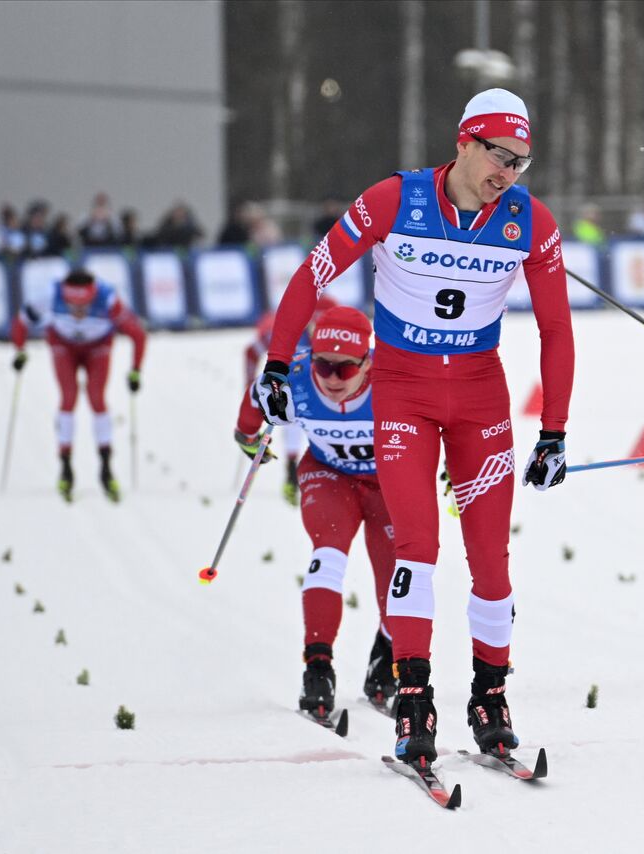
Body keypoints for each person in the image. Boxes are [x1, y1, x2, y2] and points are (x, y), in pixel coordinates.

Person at [249, 88, 574, 769]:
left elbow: (556, 330)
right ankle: (415, 697)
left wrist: (554, 430)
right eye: (499, 156)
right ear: (464, 142)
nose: (509, 173)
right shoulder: (395, 200)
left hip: (481, 399)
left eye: (522, 161)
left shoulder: (528, 220)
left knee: (491, 559)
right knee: (416, 546)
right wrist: (279, 365)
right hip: (403, 395)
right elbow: (313, 275)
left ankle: (491, 695)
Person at [234, 306, 399, 720]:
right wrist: (249, 440)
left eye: (345, 370)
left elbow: (447, 419)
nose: (331, 379)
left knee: (399, 578)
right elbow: (250, 412)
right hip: (329, 475)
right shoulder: (293, 377)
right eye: (324, 365)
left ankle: (387, 655)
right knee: (328, 554)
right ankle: (318, 669)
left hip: (390, 485)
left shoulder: (395, 378)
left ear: (367, 360)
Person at [11, 269, 147, 501]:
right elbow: (21, 322)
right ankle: (65, 467)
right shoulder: (50, 293)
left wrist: (135, 371)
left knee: (96, 398)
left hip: (98, 346)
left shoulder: (108, 298)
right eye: (72, 306)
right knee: (68, 397)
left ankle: (105, 467)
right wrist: (20, 350)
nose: (78, 313)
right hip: (63, 344)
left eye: (84, 306)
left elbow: (138, 335)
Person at [243, 294, 341, 505]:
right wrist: (249, 385)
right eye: (315, 324)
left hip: (327, 389)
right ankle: (291, 474)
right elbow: (251, 353)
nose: (318, 331)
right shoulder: (286, 332)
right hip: (294, 390)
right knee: (290, 414)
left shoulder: (336, 336)